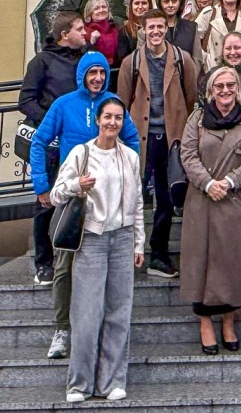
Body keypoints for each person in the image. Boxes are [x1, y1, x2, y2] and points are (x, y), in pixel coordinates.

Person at [31, 51, 141, 361]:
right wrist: (42, 185)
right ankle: (62, 329)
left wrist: (130, 178)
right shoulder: (64, 105)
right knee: (65, 266)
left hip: (110, 201)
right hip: (77, 201)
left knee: (109, 267)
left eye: (102, 73)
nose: (97, 78)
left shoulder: (113, 106)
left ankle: (105, 329)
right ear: (82, 74)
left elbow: (132, 142)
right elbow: (39, 142)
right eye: (92, 72)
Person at [50, 96, 145, 404]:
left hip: (122, 238)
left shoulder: (130, 156)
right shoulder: (82, 153)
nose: (113, 123)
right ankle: (79, 384)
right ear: (98, 119)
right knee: (86, 314)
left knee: (119, 313)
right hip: (90, 239)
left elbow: (139, 203)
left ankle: (112, 381)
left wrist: (139, 242)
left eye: (118, 118)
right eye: (108, 117)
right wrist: (78, 185)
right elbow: (55, 195)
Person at [179, 65, 241, 353]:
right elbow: (187, 154)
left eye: (230, 85)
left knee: (232, 264)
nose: (225, 91)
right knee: (201, 263)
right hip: (202, 201)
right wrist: (207, 183)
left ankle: (229, 320)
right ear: (210, 91)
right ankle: (205, 322)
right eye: (220, 86)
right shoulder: (197, 119)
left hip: (235, 201)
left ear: (238, 89)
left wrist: (230, 181)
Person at [117, 9, 199, 279]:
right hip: (139, 138)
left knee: (165, 198)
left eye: (160, 27)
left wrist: (177, 123)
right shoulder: (131, 62)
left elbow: (191, 96)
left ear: (166, 28)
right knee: (132, 195)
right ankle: (127, 252)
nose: (155, 32)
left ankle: (159, 254)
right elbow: (122, 100)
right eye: (150, 27)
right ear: (143, 29)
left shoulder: (181, 59)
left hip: (170, 137)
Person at [20, 12, 87, 288]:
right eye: (80, 29)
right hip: (50, 145)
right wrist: (52, 120)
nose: (86, 32)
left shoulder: (85, 59)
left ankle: (74, 257)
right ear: (64, 35)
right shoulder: (41, 61)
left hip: (79, 143)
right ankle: (44, 262)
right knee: (45, 203)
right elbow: (25, 100)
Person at [157, 0, 198, 67]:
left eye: (174, 1)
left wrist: (190, 77)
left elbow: (197, 59)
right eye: (166, 1)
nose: (171, 5)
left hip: (186, 77)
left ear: (180, 2)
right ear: (160, 3)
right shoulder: (153, 28)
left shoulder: (191, 28)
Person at [84, 0, 124, 70]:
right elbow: (84, 57)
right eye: (96, 8)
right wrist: (91, 43)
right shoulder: (85, 32)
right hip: (96, 72)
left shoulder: (116, 28)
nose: (101, 10)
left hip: (117, 70)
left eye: (104, 7)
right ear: (89, 12)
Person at [118, 0, 154, 64]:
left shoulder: (156, 27)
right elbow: (123, 58)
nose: (140, 7)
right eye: (136, 3)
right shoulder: (124, 31)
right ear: (131, 6)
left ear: (149, 5)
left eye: (144, 3)